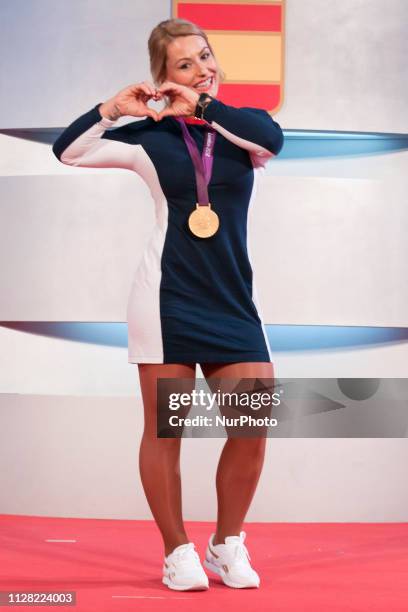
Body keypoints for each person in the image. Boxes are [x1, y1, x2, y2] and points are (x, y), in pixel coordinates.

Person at [52, 17, 284, 592]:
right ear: (163, 77)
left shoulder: (242, 130)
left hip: (231, 301)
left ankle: (227, 544)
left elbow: (272, 140)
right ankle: (176, 549)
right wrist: (112, 109)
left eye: (205, 57)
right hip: (166, 299)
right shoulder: (149, 141)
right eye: (185, 64)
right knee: (166, 431)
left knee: (252, 424)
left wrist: (202, 107)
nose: (202, 68)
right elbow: (70, 152)